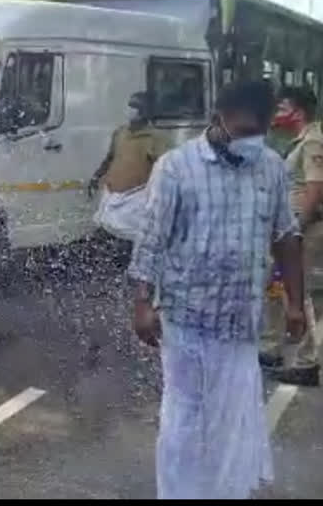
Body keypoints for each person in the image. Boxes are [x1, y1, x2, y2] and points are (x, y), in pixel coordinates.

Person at [129, 80, 305, 499]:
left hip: (240, 323)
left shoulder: (271, 167)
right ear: (218, 120)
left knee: (231, 421)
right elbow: (151, 239)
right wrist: (141, 303)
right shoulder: (176, 167)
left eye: (258, 132)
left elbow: (285, 235)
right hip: (185, 320)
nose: (250, 141)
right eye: (242, 132)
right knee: (184, 419)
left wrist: (297, 304)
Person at [260, 86, 323, 386]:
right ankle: (271, 347)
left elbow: (315, 188)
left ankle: (308, 362)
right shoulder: (298, 142)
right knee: (275, 285)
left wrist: (296, 231)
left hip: (305, 229)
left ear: (297, 112)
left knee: (303, 294)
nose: (276, 114)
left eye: (282, 107)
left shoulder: (313, 141)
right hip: (289, 229)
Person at [88, 92, 170, 262]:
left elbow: (164, 168)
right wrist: (96, 177)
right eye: (130, 106)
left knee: (132, 234)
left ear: (144, 112)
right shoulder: (120, 133)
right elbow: (110, 157)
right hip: (113, 192)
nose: (130, 110)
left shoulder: (154, 138)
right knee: (107, 226)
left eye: (135, 107)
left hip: (135, 196)